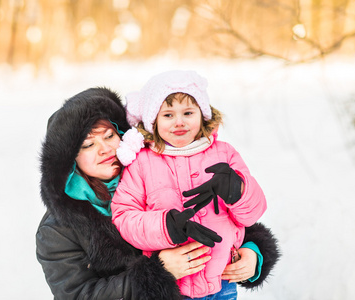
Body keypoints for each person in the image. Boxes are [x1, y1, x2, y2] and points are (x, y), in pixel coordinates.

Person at [36, 87, 279, 300]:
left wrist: (253, 252)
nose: (105, 149)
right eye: (88, 145)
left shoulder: (153, 170)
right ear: (70, 160)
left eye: (110, 135)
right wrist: (158, 272)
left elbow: (219, 219)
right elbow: (78, 295)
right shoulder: (58, 229)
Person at [111, 70, 267, 299]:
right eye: (168, 115)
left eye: (188, 112)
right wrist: (165, 226)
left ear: (203, 115)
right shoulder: (142, 163)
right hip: (172, 288)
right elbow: (124, 216)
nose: (179, 122)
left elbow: (252, 213)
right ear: (153, 120)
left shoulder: (225, 153)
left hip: (222, 284)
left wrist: (239, 191)